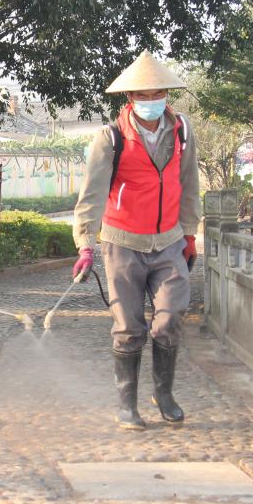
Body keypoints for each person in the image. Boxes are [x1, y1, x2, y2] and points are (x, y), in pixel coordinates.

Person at [72, 51, 201, 430]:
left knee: (170, 319)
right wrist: (85, 245)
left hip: (169, 242)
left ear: (166, 94)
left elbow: (189, 184)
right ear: (130, 98)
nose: (150, 101)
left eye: (156, 93)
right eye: (142, 95)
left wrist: (189, 234)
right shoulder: (110, 139)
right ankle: (127, 405)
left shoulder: (182, 132)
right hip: (122, 243)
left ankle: (164, 394)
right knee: (129, 328)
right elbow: (92, 195)